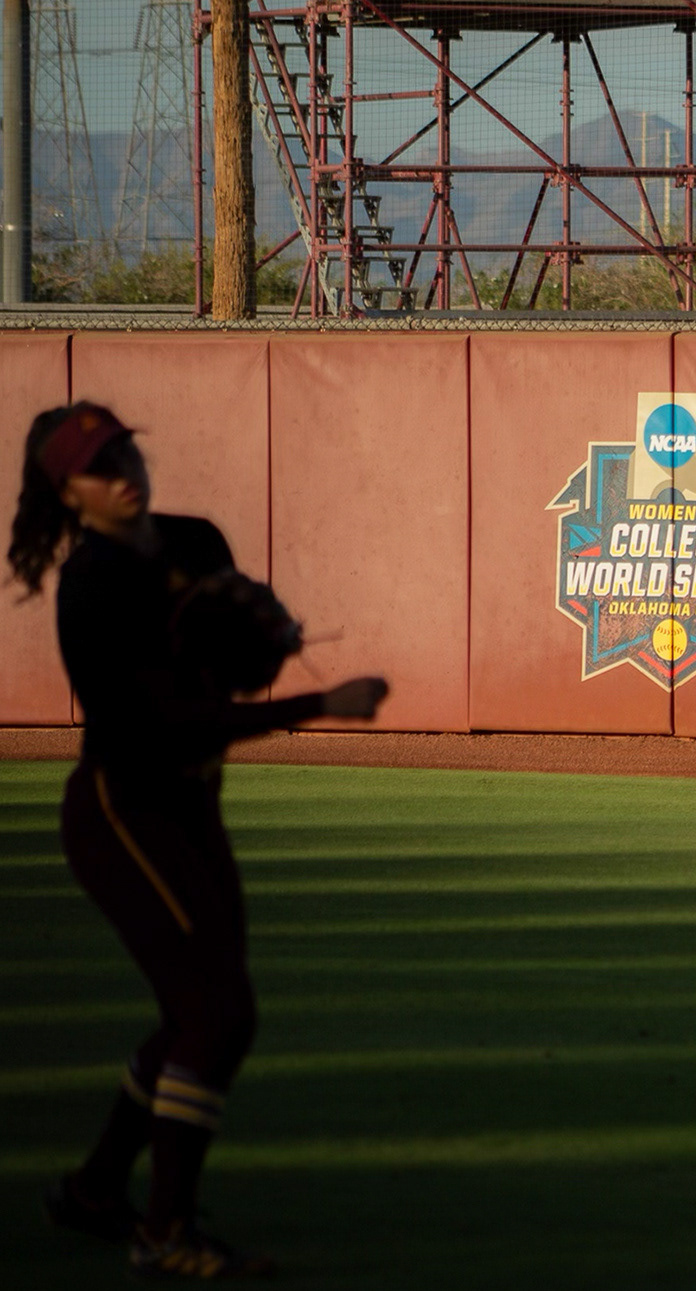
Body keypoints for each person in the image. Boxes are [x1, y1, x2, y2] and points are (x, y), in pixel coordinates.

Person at [7, 403, 389, 1279]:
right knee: (220, 1014)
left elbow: (228, 657)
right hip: (122, 812)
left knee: (197, 1012)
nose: (123, 470)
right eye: (99, 464)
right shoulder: (92, 585)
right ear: (68, 492)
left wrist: (272, 643)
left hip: (191, 805)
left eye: (125, 449)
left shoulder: (195, 538)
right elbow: (167, 725)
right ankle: (163, 1231)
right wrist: (316, 705)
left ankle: (99, 1189)